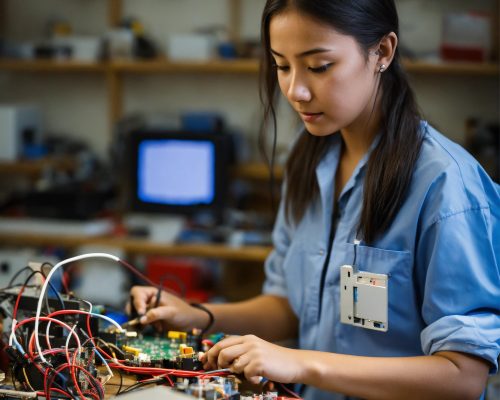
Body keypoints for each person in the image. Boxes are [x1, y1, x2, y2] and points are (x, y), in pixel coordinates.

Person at [130, 0, 500, 398]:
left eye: (319, 66)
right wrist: (197, 315)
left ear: (383, 52)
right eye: (282, 65)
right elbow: (291, 306)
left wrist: (301, 362)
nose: (295, 90)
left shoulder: (447, 186)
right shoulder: (309, 161)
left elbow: (463, 376)